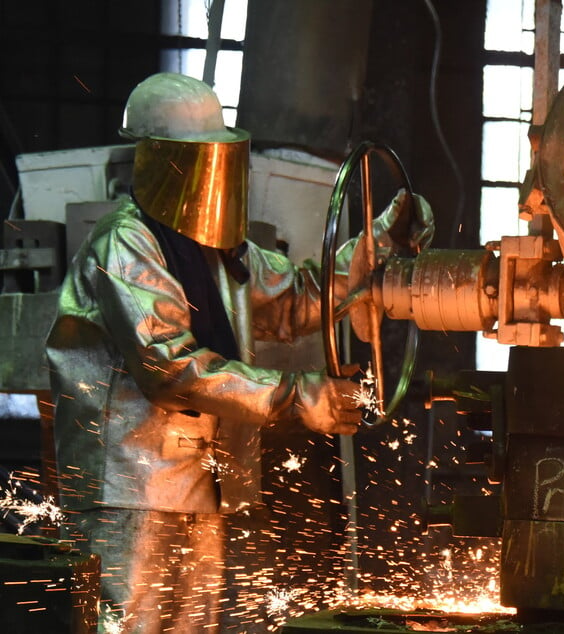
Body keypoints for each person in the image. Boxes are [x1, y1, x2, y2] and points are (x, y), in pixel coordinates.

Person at [45, 72, 431, 633]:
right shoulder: (126, 243)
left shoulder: (218, 250)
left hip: (201, 484)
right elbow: (170, 368)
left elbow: (299, 299)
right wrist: (297, 396)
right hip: (132, 490)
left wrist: (378, 243)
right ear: (160, 159)